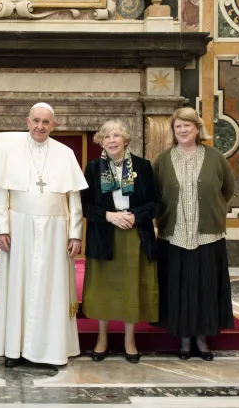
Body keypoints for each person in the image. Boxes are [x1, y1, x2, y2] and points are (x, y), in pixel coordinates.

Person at [0, 102, 88, 367]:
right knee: (18, 285)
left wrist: (75, 233)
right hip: (18, 228)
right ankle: (15, 349)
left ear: (53, 125)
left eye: (46, 122)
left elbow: (74, 199)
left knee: (52, 288)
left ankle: (51, 350)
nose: (40, 126)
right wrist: (1, 228)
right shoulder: (9, 152)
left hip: (56, 229)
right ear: (27, 121)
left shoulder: (65, 153)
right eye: (36, 121)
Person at [153, 107, 235, 361]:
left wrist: (212, 211)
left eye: (187, 125)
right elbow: (155, 194)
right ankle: (184, 338)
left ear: (197, 129)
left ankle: (202, 336)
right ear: (173, 131)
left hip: (207, 236)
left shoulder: (215, 157)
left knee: (205, 287)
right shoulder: (163, 160)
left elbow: (228, 189)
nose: (183, 130)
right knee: (179, 287)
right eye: (178, 127)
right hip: (174, 236)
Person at [81, 119, 160, 364]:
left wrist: (134, 217)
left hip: (135, 235)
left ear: (126, 139)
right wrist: (110, 216)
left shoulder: (143, 166)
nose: (112, 140)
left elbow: (156, 203)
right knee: (103, 289)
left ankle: (129, 340)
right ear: (101, 141)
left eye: (116, 135)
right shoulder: (93, 168)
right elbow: (85, 205)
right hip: (104, 235)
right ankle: (102, 339)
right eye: (107, 137)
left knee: (131, 288)